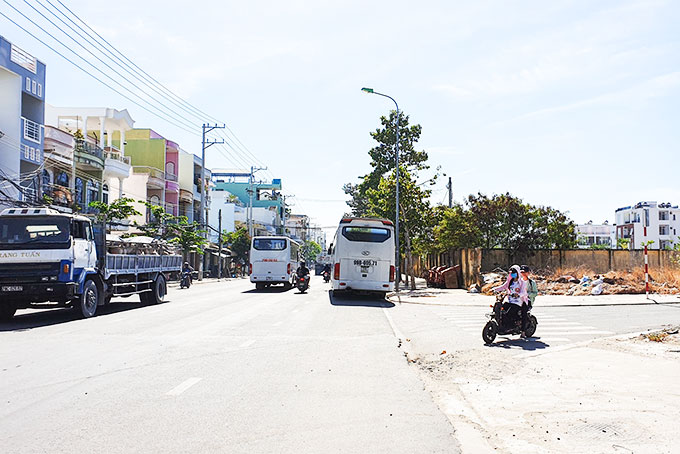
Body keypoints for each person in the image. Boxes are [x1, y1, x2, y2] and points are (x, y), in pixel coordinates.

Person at [492, 264, 529, 337]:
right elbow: (503, 287)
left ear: (518, 273)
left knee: (509, 313)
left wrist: (518, 295)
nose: (512, 274)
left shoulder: (522, 283)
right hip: (510, 301)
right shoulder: (510, 281)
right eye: (511, 273)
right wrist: (494, 289)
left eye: (514, 273)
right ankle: (503, 325)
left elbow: (524, 292)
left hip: (518, 302)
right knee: (501, 310)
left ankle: (519, 330)